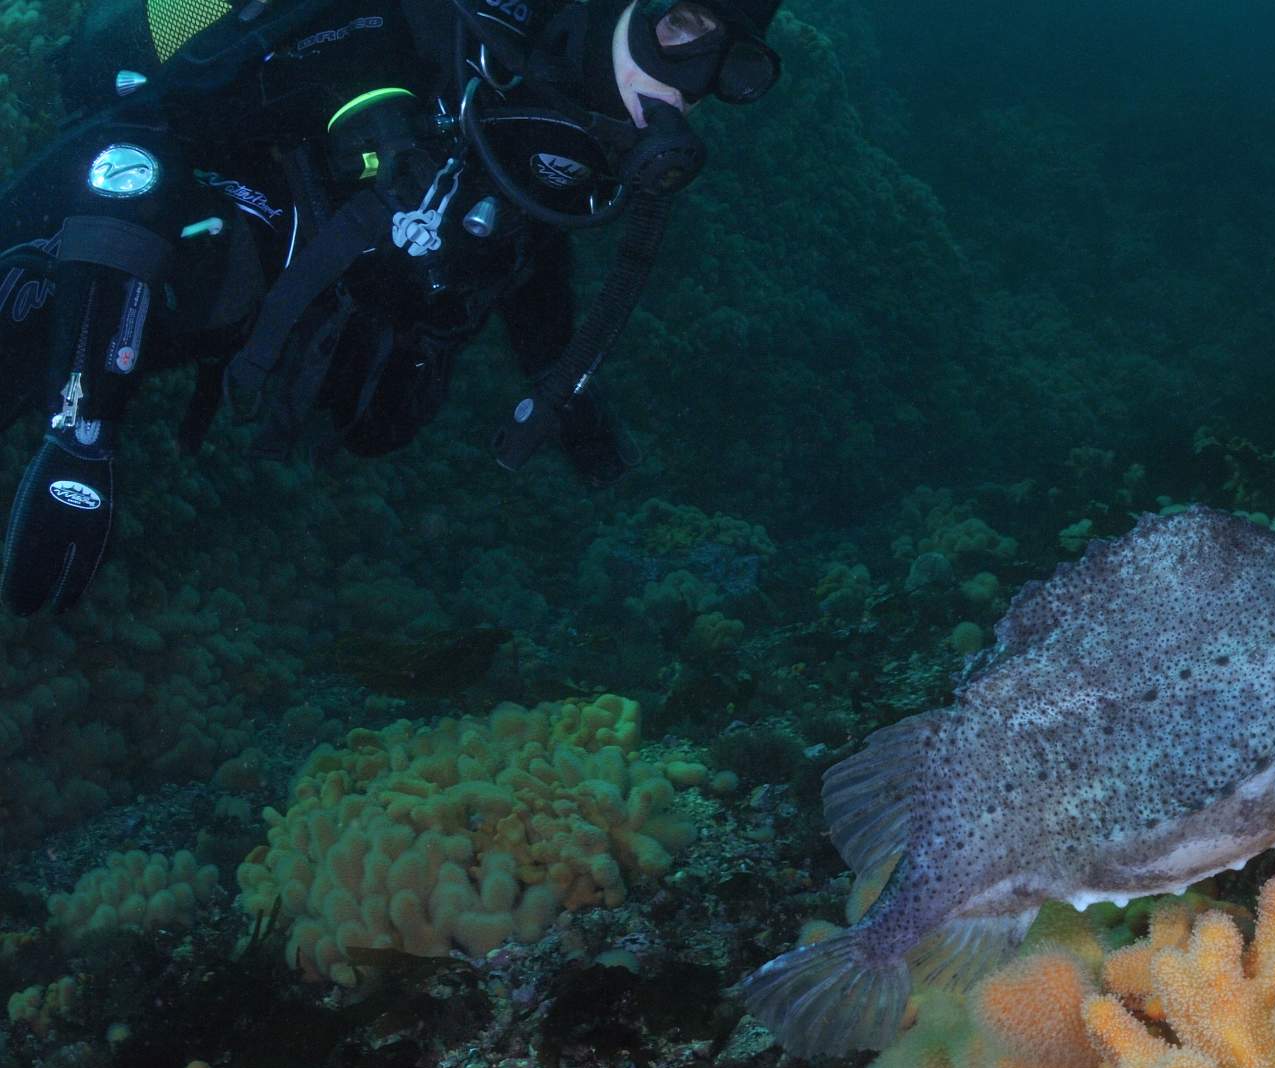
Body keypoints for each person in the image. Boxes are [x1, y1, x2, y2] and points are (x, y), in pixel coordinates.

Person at [0, 0, 782, 615]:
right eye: (681, 27)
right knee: (207, 268)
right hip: (103, 252)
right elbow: (131, 156)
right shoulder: (422, 34)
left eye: (731, 66)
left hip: (210, 303)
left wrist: (563, 382)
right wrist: (82, 443)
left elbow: (532, 250)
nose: (688, 81)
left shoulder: (557, 116)